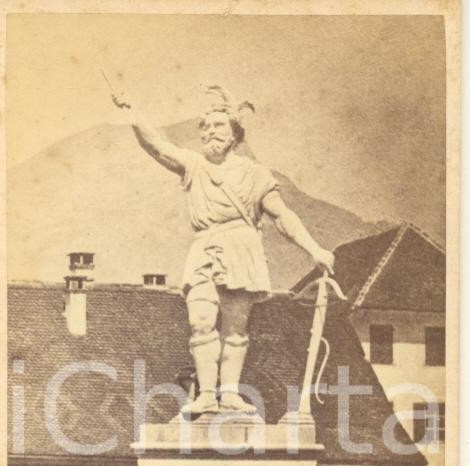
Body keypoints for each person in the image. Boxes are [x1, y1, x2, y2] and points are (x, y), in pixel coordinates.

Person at [111, 84, 335, 415]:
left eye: (219, 126)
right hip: (204, 246)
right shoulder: (194, 164)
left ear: (235, 133)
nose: (210, 132)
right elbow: (156, 146)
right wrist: (132, 111)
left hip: (241, 248)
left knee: (235, 327)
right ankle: (206, 394)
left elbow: (282, 216)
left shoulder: (255, 174)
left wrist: (314, 249)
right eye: (206, 126)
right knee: (200, 320)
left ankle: (229, 394)